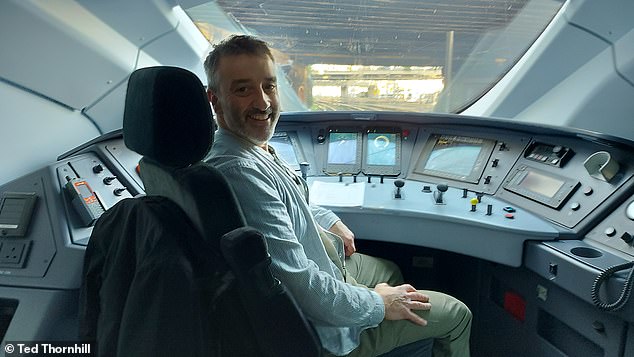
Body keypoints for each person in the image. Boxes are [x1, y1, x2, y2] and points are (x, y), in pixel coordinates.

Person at [204, 34, 472, 357]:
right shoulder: (239, 172)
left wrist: (330, 220)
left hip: (322, 267)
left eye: (269, 86)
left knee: (387, 271)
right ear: (215, 100)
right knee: (458, 316)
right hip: (321, 329)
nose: (262, 103)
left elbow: (288, 201)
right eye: (243, 89)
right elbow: (303, 286)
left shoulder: (243, 147)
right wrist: (380, 303)